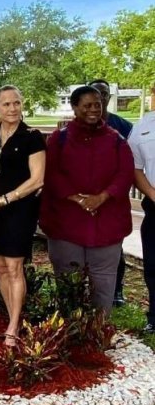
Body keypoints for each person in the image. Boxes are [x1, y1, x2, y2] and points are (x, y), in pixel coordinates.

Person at [40, 85, 134, 313]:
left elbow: (125, 173)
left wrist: (102, 197)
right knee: (69, 283)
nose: (94, 110)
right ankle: (70, 333)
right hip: (66, 224)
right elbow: (50, 173)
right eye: (87, 105)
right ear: (74, 107)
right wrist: (77, 199)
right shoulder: (58, 140)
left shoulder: (116, 140)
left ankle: (99, 334)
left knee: (103, 284)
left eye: (98, 105)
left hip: (106, 223)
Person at [0, 85, 46, 347]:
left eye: (17, 103)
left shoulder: (32, 137)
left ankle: (14, 326)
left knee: (14, 267)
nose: (13, 108)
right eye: (6, 104)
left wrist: (4, 200)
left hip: (18, 210)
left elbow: (37, 179)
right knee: (0, 266)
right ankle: (11, 316)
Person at [89, 79, 133, 306]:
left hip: (111, 199)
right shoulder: (75, 128)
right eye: (95, 92)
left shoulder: (122, 127)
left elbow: (130, 165)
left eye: (103, 93)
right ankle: (87, 291)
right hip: (84, 199)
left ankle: (116, 290)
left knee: (114, 249)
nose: (99, 97)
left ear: (108, 97)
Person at [129, 107, 155, 334]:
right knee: (153, 265)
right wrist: (153, 194)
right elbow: (135, 169)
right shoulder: (142, 127)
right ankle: (154, 318)